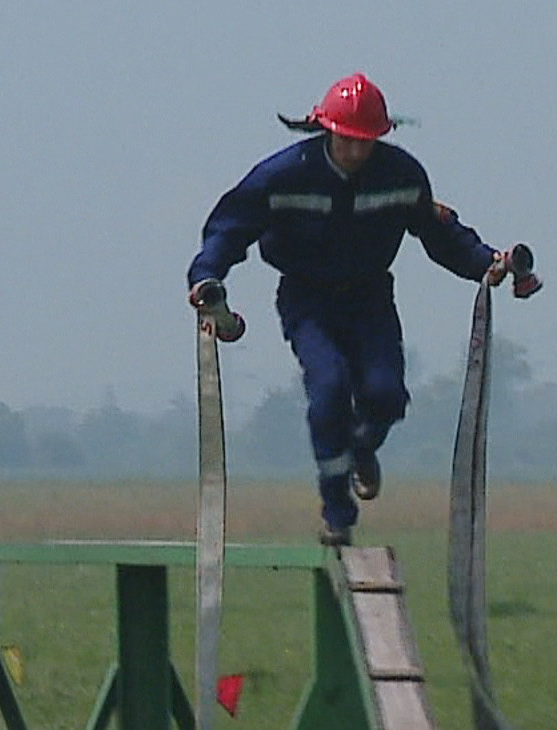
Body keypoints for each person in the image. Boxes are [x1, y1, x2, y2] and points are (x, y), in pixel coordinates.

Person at [188, 72, 528, 546]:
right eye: (346, 139)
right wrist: (207, 275)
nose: (354, 151)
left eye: (365, 141)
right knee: (328, 390)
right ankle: (338, 514)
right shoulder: (282, 176)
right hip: (307, 299)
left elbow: (440, 235)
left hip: (370, 298)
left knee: (386, 394)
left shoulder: (402, 175)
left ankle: (361, 450)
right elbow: (229, 228)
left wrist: (487, 264)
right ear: (325, 129)